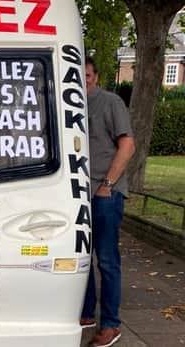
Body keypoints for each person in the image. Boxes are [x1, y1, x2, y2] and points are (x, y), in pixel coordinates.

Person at [80, 56, 135, 347]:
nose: (83, 78)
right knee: (82, 258)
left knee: (107, 260)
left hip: (105, 193)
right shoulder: (70, 104)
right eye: (78, 74)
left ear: (96, 76)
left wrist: (107, 186)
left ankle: (111, 324)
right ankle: (86, 313)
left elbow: (127, 145)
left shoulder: (110, 102)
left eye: (87, 74)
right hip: (78, 195)